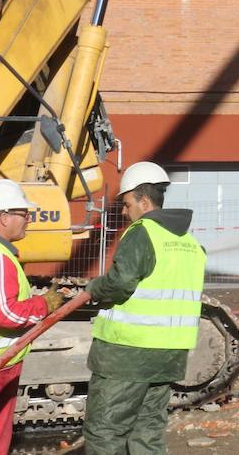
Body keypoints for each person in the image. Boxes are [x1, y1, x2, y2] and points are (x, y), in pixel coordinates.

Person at [83, 162, 205, 455]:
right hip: (169, 356)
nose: (124, 212)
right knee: (147, 432)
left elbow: (121, 282)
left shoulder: (142, 233)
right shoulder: (189, 242)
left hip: (127, 355)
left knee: (105, 432)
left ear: (144, 201)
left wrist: (94, 288)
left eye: (127, 205)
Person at [0, 179, 63, 455]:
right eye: (23, 213)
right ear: (4, 217)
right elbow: (3, 313)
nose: (28, 219)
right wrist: (44, 304)